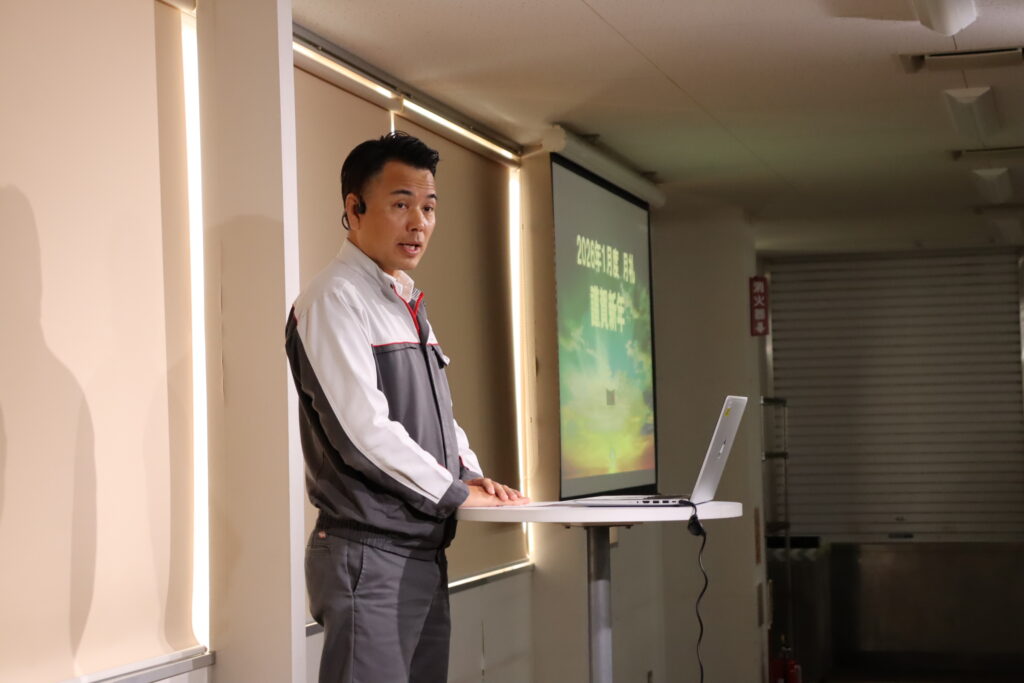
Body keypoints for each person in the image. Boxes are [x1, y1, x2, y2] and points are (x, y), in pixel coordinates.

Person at [285, 131, 528, 683]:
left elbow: (439, 416)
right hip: (369, 553)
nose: (419, 223)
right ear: (354, 208)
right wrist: (453, 492)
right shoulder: (334, 299)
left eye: (429, 207)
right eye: (401, 205)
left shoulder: (402, 300)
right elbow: (363, 433)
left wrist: (470, 474)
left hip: (419, 550)